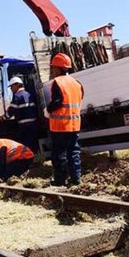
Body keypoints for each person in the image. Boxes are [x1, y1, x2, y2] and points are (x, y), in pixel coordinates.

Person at [44, 53, 84, 186]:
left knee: (59, 153)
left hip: (60, 126)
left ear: (59, 68)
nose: (52, 70)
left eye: (53, 68)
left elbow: (57, 101)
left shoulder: (58, 82)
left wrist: (48, 110)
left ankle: (60, 180)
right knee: (74, 152)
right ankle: (76, 178)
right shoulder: (77, 83)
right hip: (74, 125)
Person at [2, 76, 40, 153]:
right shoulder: (29, 94)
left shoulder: (17, 96)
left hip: (24, 126)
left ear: (16, 85)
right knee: (33, 143)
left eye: (11, 87)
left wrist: (3, 118)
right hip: (33, 124)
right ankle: (36, 159)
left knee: (26, 145)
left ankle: (29, 160)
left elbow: (11, 111)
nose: (11, 89)